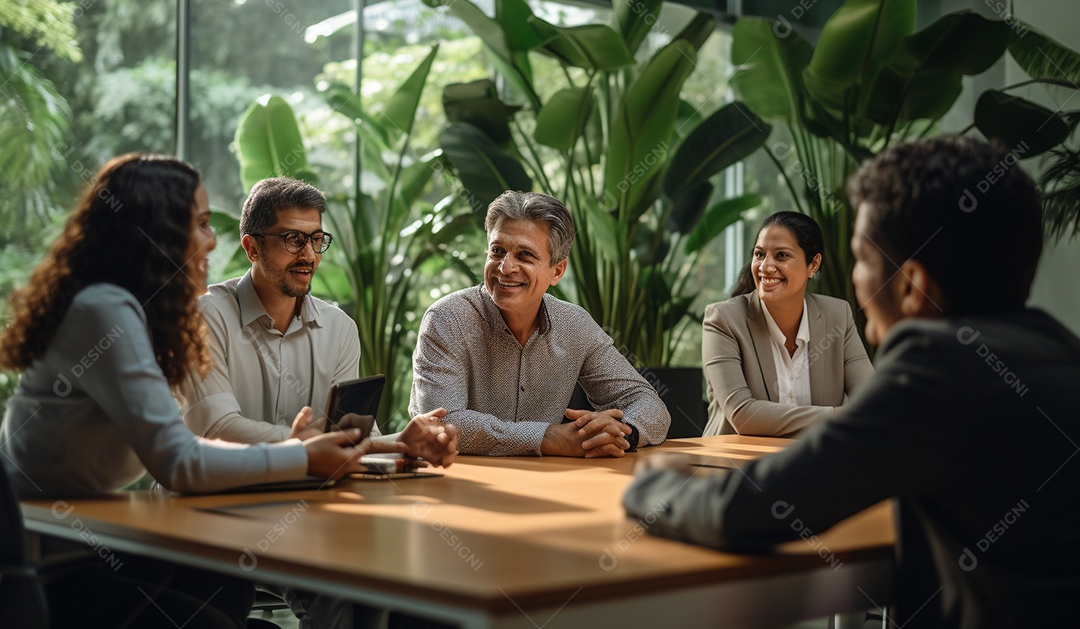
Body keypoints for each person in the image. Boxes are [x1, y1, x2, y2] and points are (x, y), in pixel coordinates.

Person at [623, 136, 1080, 628]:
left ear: (910, 287)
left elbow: (747, 514)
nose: (858, 281)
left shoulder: (937, 368)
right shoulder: (1062, 352)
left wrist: (651, 489)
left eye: (861, 259)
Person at [0, 154, 410, 628]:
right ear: (157, 231)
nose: (212, 239)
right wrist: (300, 453)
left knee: (232, 586)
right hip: (37, 558)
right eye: (198, 223)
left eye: (316, 240)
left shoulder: (142, 314)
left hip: (85, 538)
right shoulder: (104, 311)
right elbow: (179, 461)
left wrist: (388, 445)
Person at [177, 176, 457, 629]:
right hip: (217, 506)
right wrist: (302, 448)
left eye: (315, 239)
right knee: (335, 582)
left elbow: (343, 437)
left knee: (376, 576)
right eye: (292, 240)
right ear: (252, 247)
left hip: (310, 505)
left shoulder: (339, 327)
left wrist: (400, 443)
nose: (308, 254)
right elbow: (215, 428)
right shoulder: (206, 317)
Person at [410, 190, 670, 457]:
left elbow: (649, 404)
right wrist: (547, 438)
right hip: (456, 485)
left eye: (524, 255)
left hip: (546, 483)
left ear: (557, 271)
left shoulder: (574, 324)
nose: (505, 267)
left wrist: (619, 433)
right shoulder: (447, 319)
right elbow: (440, 425)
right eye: (497, 251)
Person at [702, 211, 874, 436]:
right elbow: (743, 415)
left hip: (814, 463)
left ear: (814, 265)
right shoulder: (723, 320)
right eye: (759, 254)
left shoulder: (837, 316)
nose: (766, 266)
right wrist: (842, 416)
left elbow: (872, 400)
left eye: (781, 255)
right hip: (736, 465)